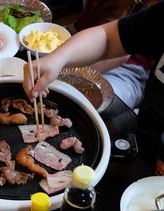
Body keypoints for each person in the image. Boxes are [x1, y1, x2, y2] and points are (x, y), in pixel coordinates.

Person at [23, 0, 164, 135]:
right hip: (147, 120)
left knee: (82, 108)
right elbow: (108, 37)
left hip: (128, 71)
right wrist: (57, 60)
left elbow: (117, 56)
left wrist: (64, 71)